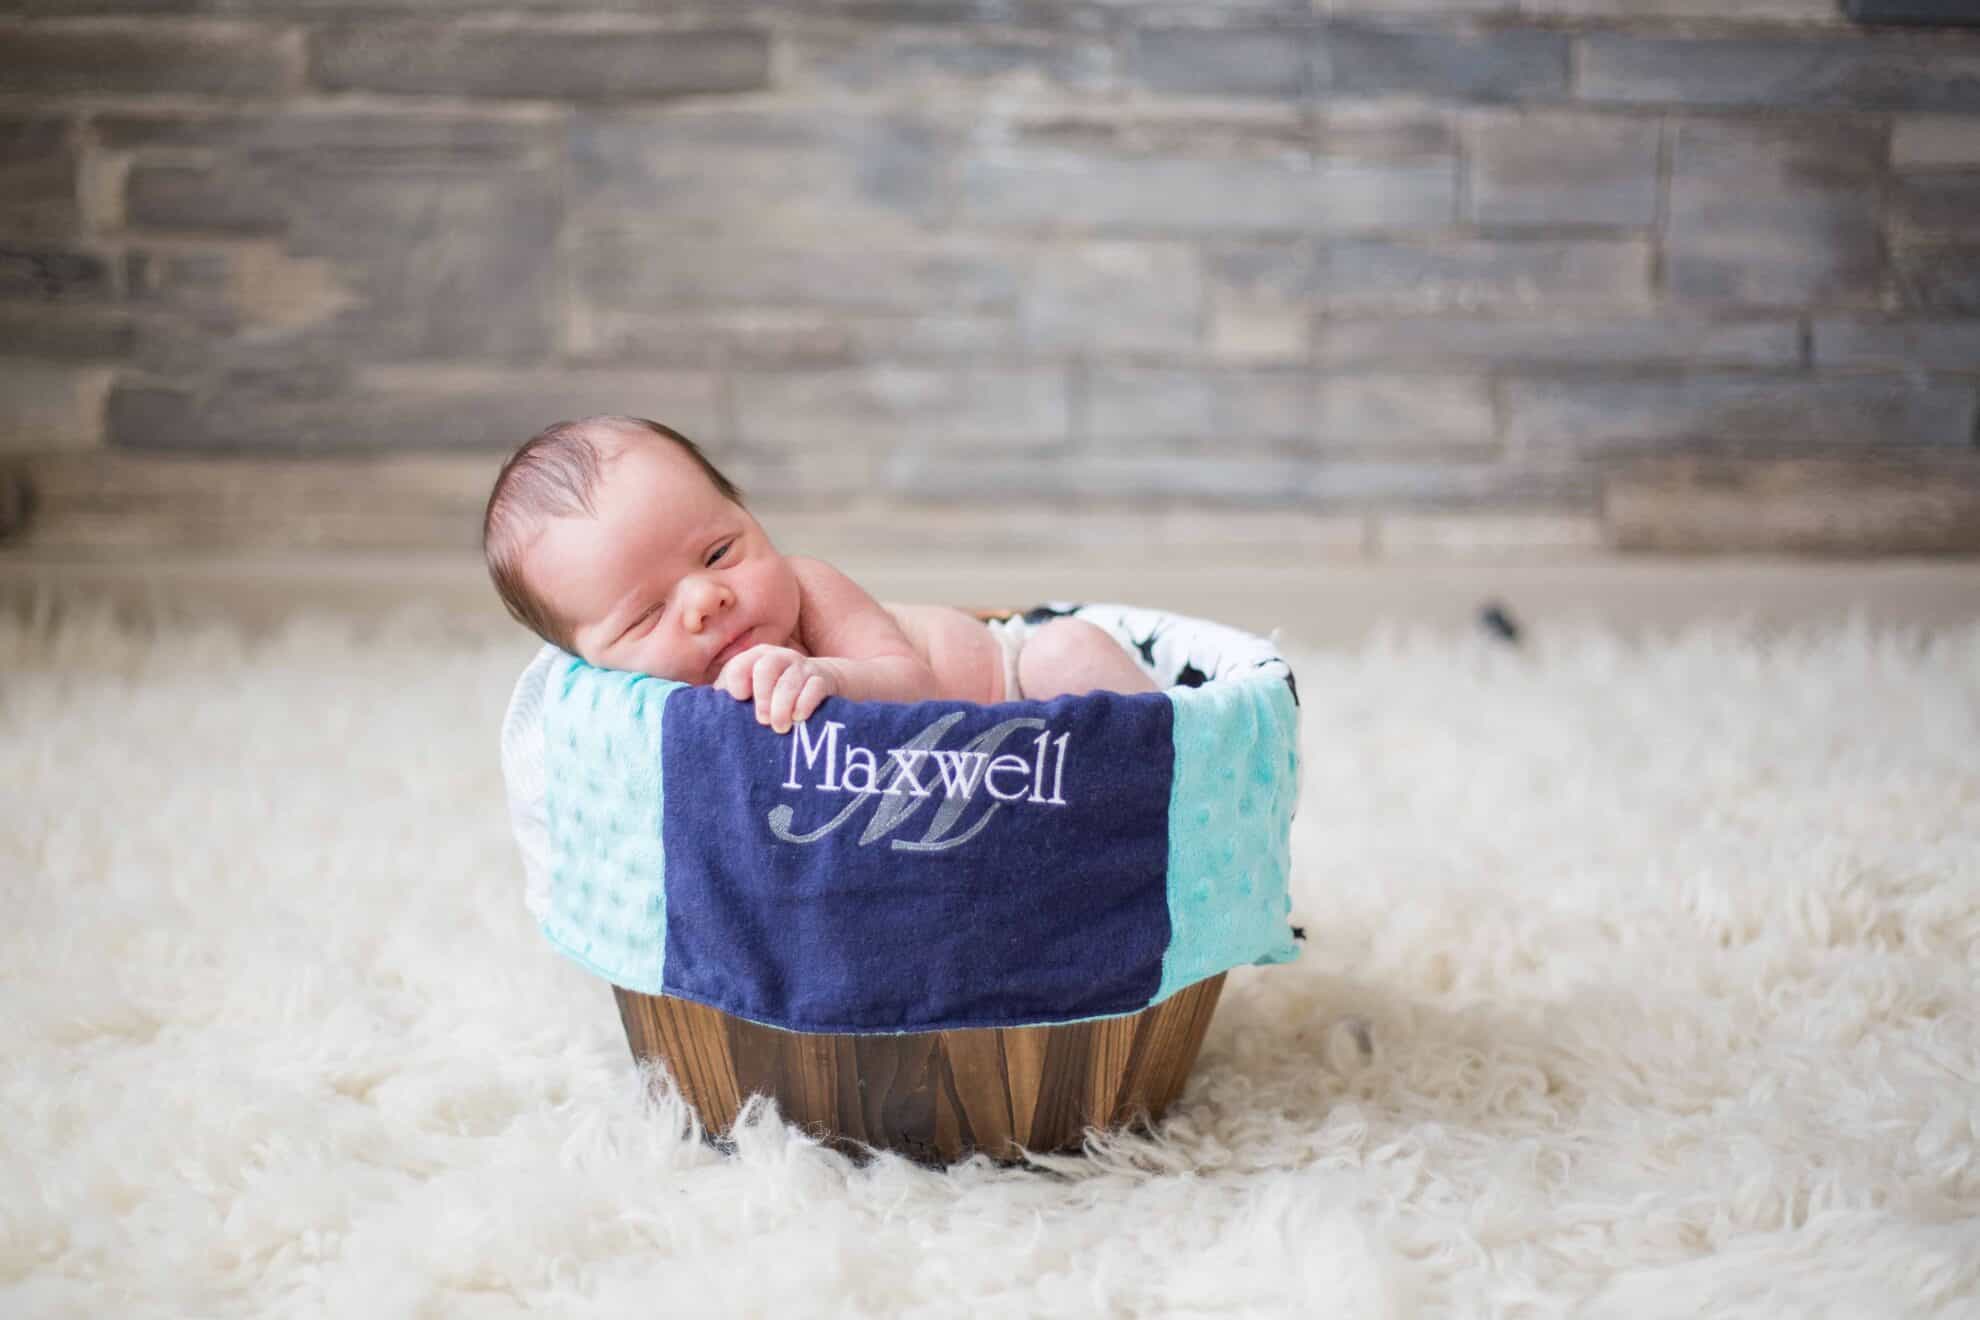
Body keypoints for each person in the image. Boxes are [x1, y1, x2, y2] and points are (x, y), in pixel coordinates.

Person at [481, 415, 1157, 734]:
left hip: (1009, 687)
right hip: (973, 780)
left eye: (719, 554)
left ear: (749, 516)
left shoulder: (806, 590)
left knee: (1067, 652)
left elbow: (914, 685)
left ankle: (1179, 759)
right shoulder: (635, 710)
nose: (706, 599)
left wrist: (828, 676)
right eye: (647, 615)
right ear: (589, 661)